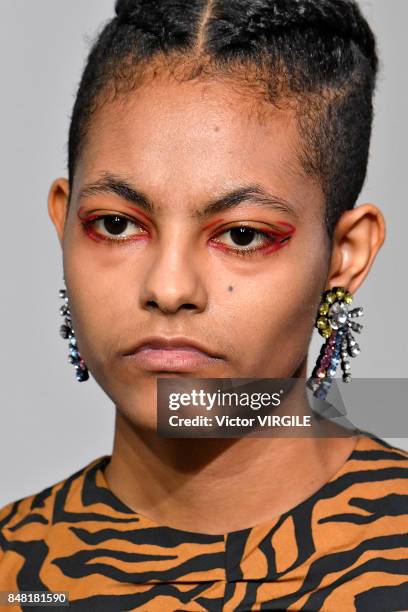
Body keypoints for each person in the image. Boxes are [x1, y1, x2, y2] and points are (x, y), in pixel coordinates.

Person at [1, 0, 407, 610]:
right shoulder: (14, 573)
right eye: (115, 224)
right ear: (63, 224)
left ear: (344, 256)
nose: (168, 288)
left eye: (242, 235)